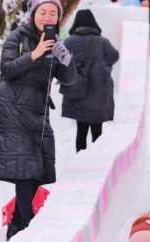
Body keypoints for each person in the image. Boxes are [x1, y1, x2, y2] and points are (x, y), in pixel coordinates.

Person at [0, 0, 76, 241]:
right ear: (34, 14)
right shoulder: (17, 37)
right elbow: (7, 69)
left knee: (36, 171)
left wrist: (65, 59)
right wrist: (35, 54)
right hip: (13, 110)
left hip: (38, 113)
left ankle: (18, 224)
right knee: (26, 171)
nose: (47, 17)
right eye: (43, 12)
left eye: (53, 13)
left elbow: (69, 80)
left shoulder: (56, 43)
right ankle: (25, 226)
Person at [61, 10, 120, 153]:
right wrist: (103, 67)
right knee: (97, 131)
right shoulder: (103, 42)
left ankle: (80, 162)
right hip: (98, 91)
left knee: (81, 132)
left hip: (77, 91)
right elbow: (114, 56)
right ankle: (97, 162)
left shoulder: (69, 42)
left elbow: (61, 61)